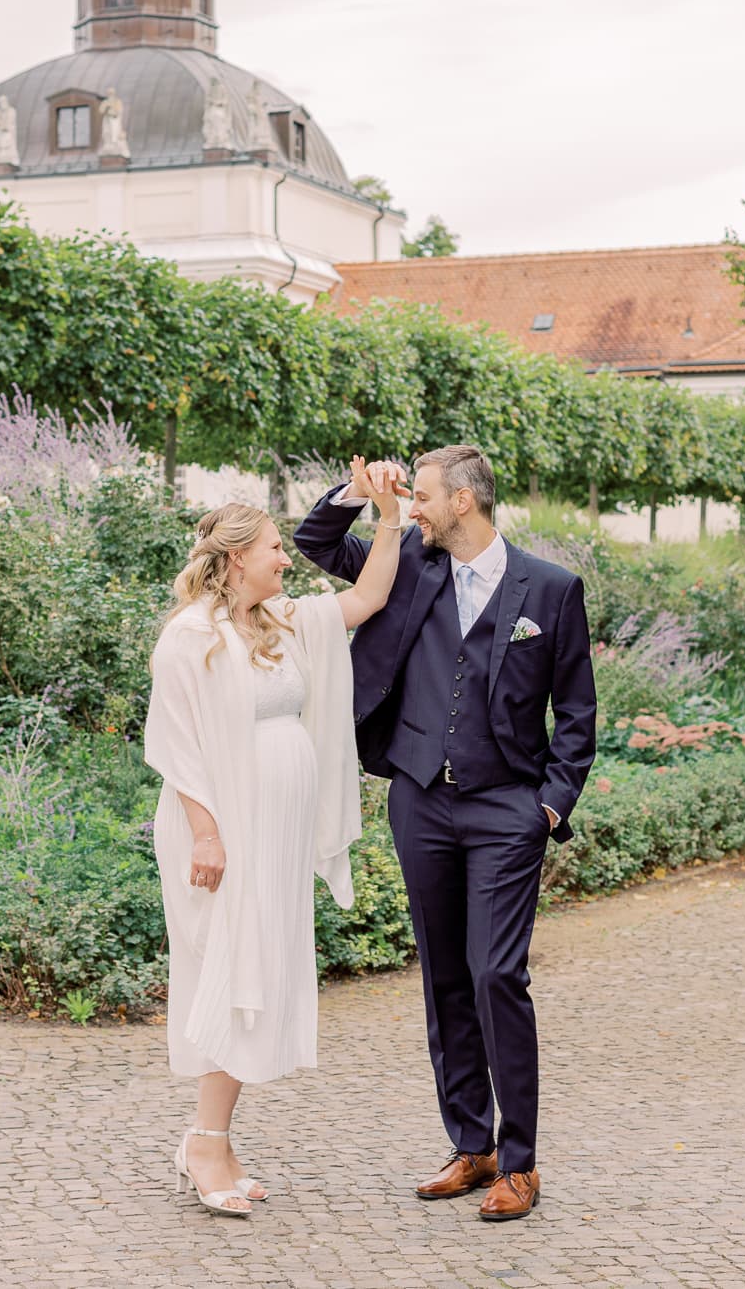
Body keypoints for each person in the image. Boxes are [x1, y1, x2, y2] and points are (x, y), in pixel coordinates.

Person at [294, 445, 597, 1221]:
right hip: (422, 800)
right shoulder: (409, 566)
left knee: (498, 974)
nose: (416, 507)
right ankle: (473, 1146)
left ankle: (521, 1161)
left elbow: (578, 715)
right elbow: (317, 543)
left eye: (423, 496)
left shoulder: (552, 589)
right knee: (444, 980)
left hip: (508, 809)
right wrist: (364, 495)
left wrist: (550, 805)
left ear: (463, 501)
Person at [144, 460, 406, 1217]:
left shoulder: (281, 621)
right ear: (234, 559)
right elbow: (176, 743)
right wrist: (205, 834)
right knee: (232, 972)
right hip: (225, 831)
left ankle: (217, 1140)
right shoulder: (189, 636)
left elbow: (368, 597)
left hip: (276, 832)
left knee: (254, 976)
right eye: (271, 548)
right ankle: (201, 1141)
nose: (284, 557)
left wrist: (385, 516)